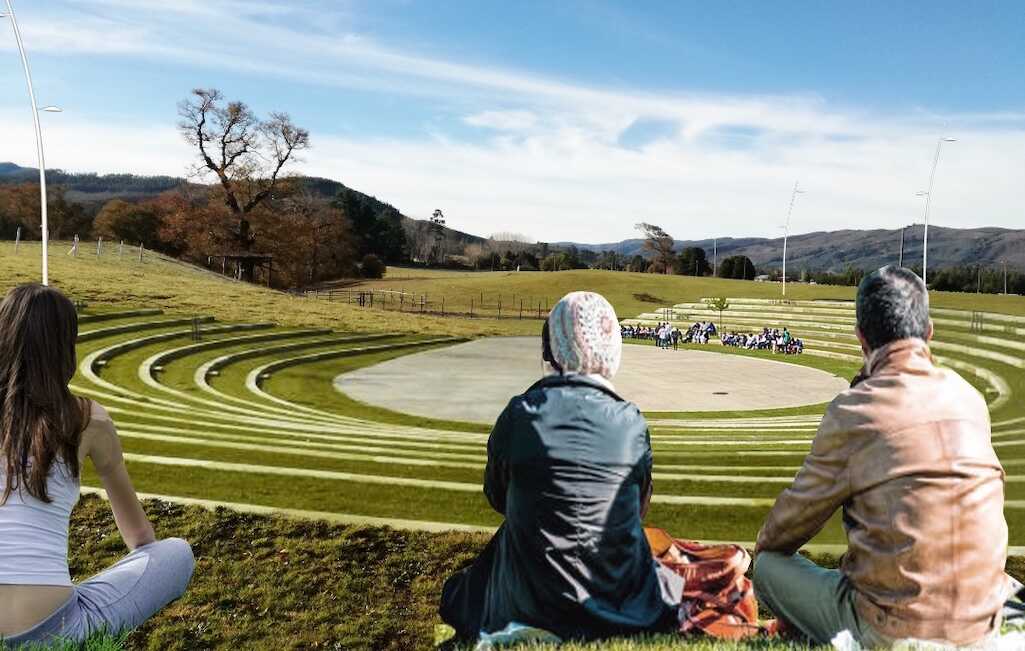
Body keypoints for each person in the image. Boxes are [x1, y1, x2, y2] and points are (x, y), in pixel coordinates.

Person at [752, 266, 1007, 647]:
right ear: (929, 332)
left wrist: (760, 552)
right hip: (984, 622)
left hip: (893, 630)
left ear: (861, 338)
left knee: (769, 567)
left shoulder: (854, 411)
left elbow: (788, 528)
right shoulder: (969, 397)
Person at [439, 291, 683, 643]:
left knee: (470, 582)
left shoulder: (520, 413)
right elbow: (638, 508)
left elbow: (497, 495)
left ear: (549, 352)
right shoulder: (631, 421)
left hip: (528, 597)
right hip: (619, 603)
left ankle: (531, 616)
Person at [0, 284, 195, 645]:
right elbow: (140, 538)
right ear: (64, 348)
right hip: (56, 629)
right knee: (176, 554)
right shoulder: (88, 419)